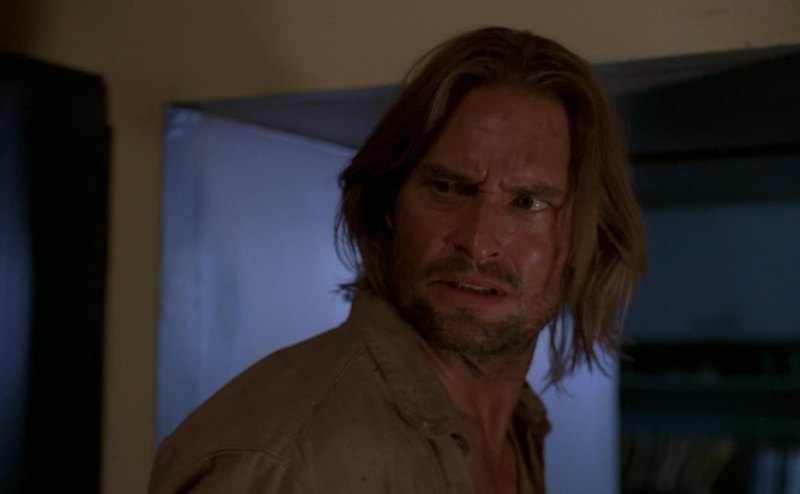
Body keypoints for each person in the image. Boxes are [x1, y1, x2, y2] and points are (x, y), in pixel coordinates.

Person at [149, 26, 646, 494]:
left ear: (590, 235)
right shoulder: (286, 457)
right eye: (447, 188)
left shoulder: (516, 427)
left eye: (527, 202)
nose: (478, 243)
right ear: (390, 204)